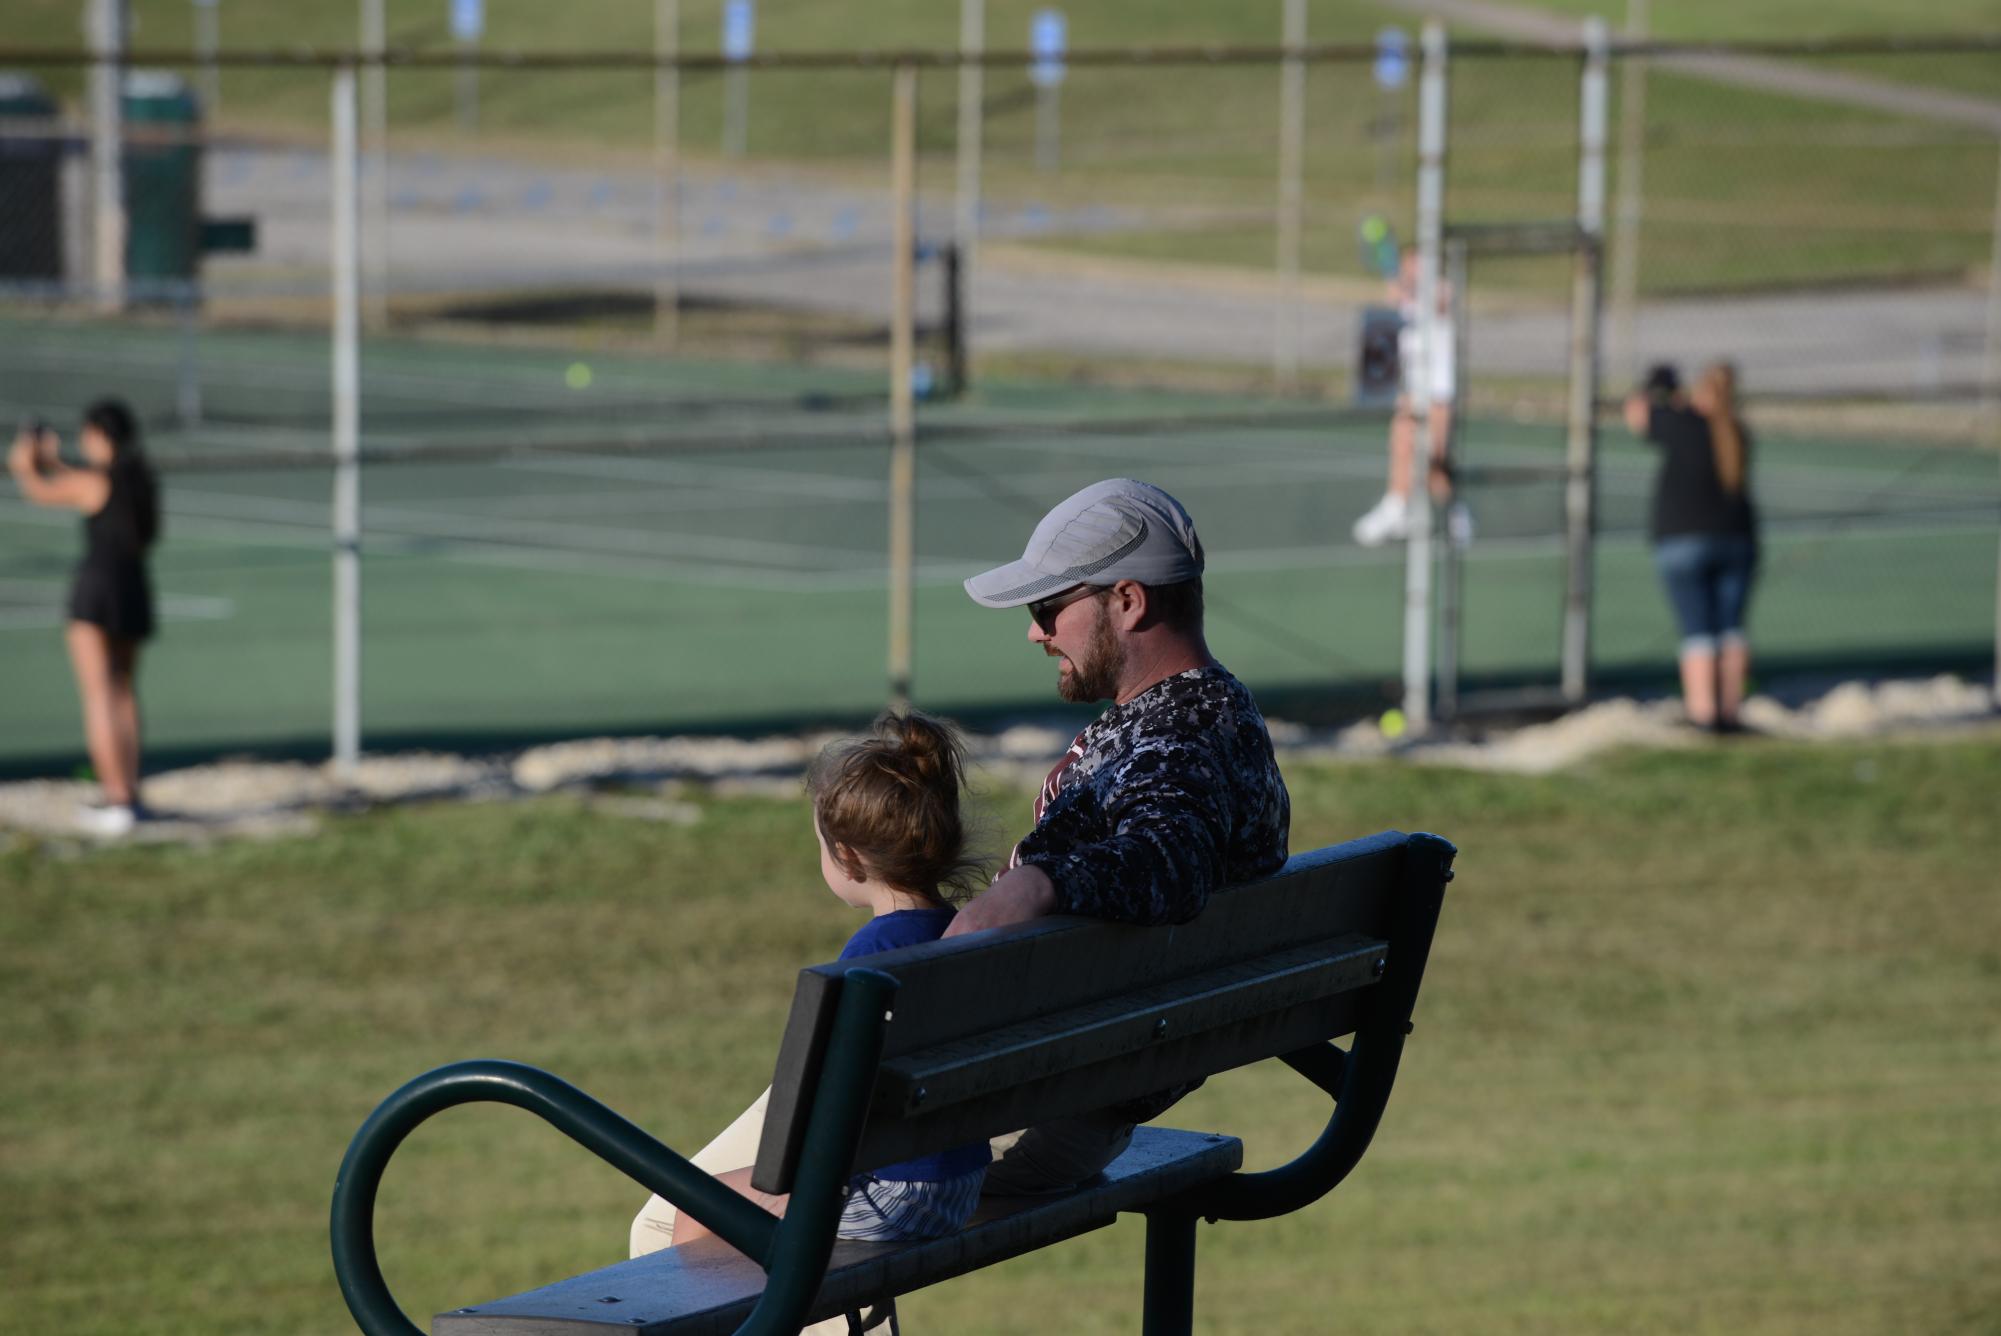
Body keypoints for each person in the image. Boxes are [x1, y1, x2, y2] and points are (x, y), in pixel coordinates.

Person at [948, 476, 1291, 1194]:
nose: (1035, 632)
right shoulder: (1212, 713)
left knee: (688, 1219)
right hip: (1067, 1080)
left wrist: (1037, 884)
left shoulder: (1180, 739)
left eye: (1048, 608)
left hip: (1017, 1101)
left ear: (1127, 601)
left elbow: (1170, 860)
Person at [639, 713, 992, 1271]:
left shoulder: (872, 960)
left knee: (695, 1211)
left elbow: (823, 1108)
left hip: (893, 1198)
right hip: (958, 1184)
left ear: (847, 857)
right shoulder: (963, 935)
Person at [7, 400, 161, 834]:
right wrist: (53, 459)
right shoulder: (140, 480)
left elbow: (41, 490)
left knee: (99, 697)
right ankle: (129, 794)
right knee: (124, 695)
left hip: (96, 594)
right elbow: (80, 479)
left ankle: (115, 800)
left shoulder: (97, 481)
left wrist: (24, 465)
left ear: (100, 435)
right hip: (133, 591)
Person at [1624, 361, 1759, 732]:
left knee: (1698, 631)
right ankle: (1729, 712)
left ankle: (1703, 715)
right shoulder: (1737, 432)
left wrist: (1658, 391)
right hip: (1738, 541)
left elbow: (1637, 414)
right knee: (1730, 630)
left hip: (1683, 543)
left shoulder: (1681, 425)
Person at [1352, 249, 1472, 548]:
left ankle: (1454, 514)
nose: (1411, 269)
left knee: (1435, 461)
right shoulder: (1400, 293)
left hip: (1440, 391)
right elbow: (1393, 310)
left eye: (1416, 263)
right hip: (1411, 387)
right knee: (1402, 444)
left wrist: (1408, 285)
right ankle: (1396, 509)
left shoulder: (1442, 289)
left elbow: (1439, 303)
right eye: (1407, 264)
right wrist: (1397, 284)